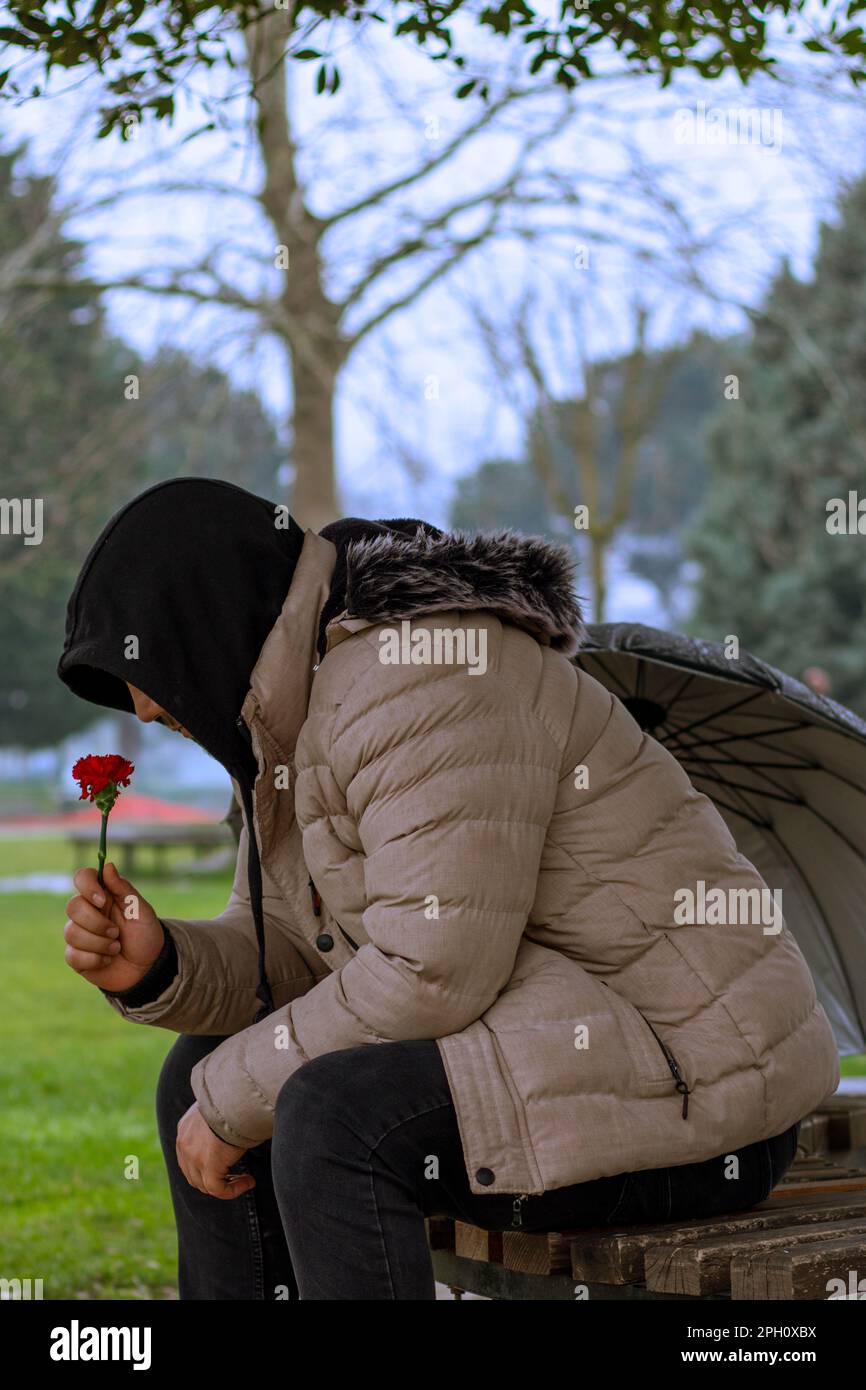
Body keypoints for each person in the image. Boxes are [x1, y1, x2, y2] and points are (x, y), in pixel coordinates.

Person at [57, 477, 839, 1301]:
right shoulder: (294, 713)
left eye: (142, 668)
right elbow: (297, 948)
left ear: (206, 624)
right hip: (561, 1028)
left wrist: (229, 1104)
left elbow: (429, 972)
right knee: (202, 1069)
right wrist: (161, 964)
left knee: (332, 1117)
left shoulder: (418, 678)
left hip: (699, 1077)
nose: (142, 708)